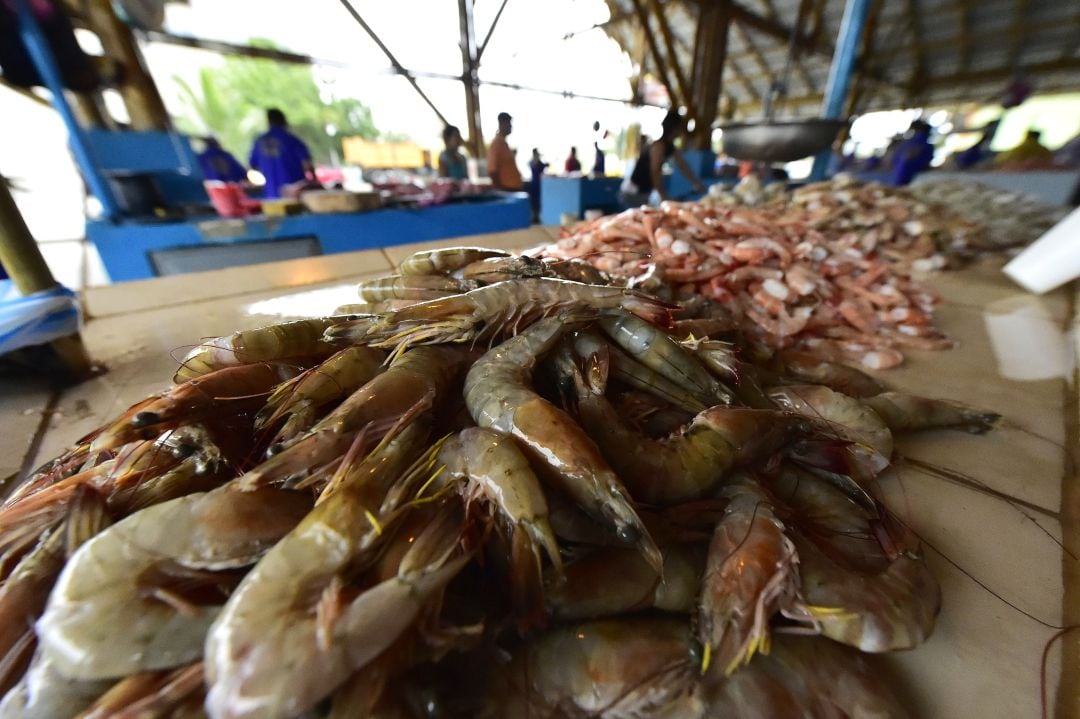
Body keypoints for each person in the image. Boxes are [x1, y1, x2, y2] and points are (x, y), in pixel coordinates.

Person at [619, 110, 705, 206]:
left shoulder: (670, 147)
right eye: (680, 128)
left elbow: (683, 166)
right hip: (633, 192)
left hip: (643, 192)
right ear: (674, 129)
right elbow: (655, 172)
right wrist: (664, 196)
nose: (682, 132)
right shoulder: (658, 146)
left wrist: (696, 183)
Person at [249, 108, 313, 199]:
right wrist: (314, 181)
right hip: (296, 195)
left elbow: (253, 165)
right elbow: (307, 164)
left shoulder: (259, 142)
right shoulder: (291, 139)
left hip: (272, 195)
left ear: (269, 121)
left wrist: (269, 173)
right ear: (284, 120)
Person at [888, 120, 934, 186]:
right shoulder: (920, 141)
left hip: (901, 172)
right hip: (909, 173)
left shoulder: (909, 141)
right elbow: (910, 154)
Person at [486, 112, 522, 190]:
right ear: (501, 124)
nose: (511, 126)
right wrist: (501, 190)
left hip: (512, 188)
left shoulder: (504, 144)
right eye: (509, 123)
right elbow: (492, 171)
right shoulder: (496, 145)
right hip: (506, 190)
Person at [528, 148, 548, 224]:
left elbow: (544, 166)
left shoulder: (537, 162)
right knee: (534, 202)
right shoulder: (533, 162)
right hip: (535, 184)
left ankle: (537, 217)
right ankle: (534, 217)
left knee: (538, 202)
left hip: (538, 184)